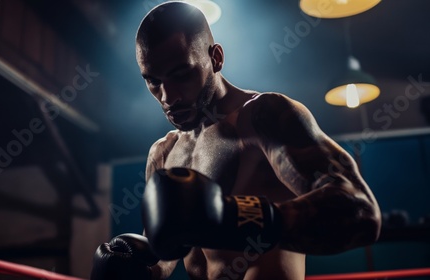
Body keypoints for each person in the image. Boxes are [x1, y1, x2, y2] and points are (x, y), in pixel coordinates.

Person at [91, 2, 381, 280]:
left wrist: (230, 217)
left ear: (215, 58)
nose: (169, 97)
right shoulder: (163, 153)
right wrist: (138, 268)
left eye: (182, 74)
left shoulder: (264, 117)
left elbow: (359, 210)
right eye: (153, 80)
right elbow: (169, 251)